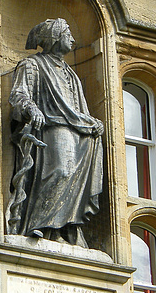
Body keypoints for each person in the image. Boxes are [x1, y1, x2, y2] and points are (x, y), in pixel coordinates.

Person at [6, 18, 103, 248]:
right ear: (55, 38)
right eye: (67, 33)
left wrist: (93, 122)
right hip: (52, 128)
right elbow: (18, 95)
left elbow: (79, 109)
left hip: (77, 131)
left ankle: (65, 230)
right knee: (61, 171)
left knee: (73, 179)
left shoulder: (70, 74)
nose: (73, 38)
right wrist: (32, 109)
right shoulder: (32, 65)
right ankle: (39, 224)